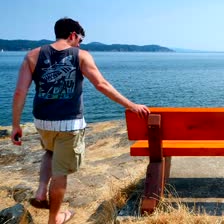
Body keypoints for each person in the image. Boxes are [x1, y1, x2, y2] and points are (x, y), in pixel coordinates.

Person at [10, 18, 150, 224]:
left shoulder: (33, 55)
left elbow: (20, 92)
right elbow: (101, 84)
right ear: (73, 35)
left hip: (42, 121)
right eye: (80, 39)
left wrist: (16, 124)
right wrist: (131, 105)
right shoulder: (81, 56)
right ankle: (54, 218)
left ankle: (41, 191)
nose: (80, 44)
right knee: (60, 174)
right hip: (69, 124)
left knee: (50, 151)